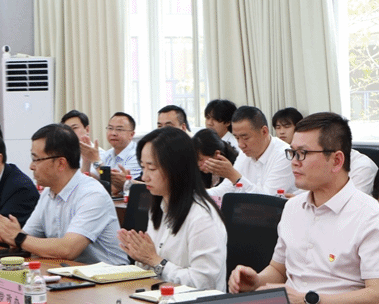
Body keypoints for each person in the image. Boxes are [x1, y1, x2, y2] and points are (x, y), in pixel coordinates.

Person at [229, 113, 379, 304]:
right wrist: (256, 281)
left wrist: (308, 301)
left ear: (336, 161)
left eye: (303, 153)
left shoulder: (369, 215)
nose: (294, 162)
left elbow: (375, 296)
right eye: (292, 152)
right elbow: (278, 270)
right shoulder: (293, 207)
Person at [0, 124, 128, 265]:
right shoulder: (48, 193)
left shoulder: (92, 194)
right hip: (68, 271)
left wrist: (18, 238)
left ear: (61, 163)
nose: (31, 166)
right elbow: (26, 240)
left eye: (36, 159)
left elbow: (68, 249)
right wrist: (10, 235)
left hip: (111, 276)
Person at [117, 127, 227, 291]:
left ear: (176, 169)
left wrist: (155, 261)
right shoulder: (159, 206)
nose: (144, 177)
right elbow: (153, 268)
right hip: (158, 297)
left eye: (152, 168)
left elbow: (203, 284)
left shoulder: (202, 217)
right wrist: (141, 257)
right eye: (143, 167)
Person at [206, 106, 295, 198]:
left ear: (264, 131)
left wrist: (233, 175)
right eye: (237, 138)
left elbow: (268, 199)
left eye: (245, 138)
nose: (240, 144)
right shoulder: (245, 153)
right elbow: (226, 189)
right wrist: (199, 194)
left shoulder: (285, 155)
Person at [80, 112, 142, 194]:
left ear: (131, 134)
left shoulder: (137, 155)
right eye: (110, 128)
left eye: (119, 129)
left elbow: (114, 189)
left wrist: (96, 160)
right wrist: (86, 159)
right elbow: (86, 181)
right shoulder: (108, 154)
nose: (113, 133)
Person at [60, 109, 106, 175]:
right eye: (67, 129)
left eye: (74, 128)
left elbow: (103, 175)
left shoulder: (101, 155)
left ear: (87, 130)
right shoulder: (62, 155)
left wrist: (92, 160)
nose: (70, 132)